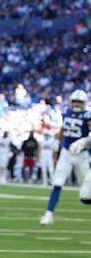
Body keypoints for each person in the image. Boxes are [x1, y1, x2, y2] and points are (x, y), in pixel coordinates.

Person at [40, 90, 91, 225]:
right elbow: (62, 129)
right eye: (75, 101)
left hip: (82, 155)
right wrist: (57, 141)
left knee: (86, 194)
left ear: (84, 103)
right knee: (57, 183)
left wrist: (84, 141)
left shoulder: (87, 115)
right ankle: (48, 214)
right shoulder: (67, 112)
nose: (77, 104)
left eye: (80, 102)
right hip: (66, 153)